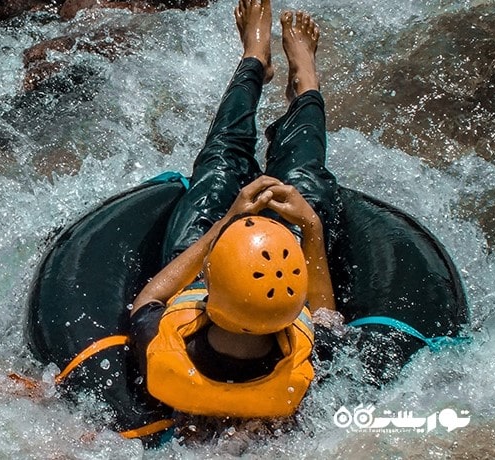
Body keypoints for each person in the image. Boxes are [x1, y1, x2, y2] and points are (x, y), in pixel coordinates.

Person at [129, 0, 340, 420]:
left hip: (201, 261)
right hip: (254, 285)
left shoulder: (164, 348)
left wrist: (228, 221)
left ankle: (254, 61)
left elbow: (148, 298)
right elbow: (326, 314)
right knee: (304, 180)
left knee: (221, 162)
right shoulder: (308, 356)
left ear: (211, 285)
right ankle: (305, 83)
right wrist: (310, 227)